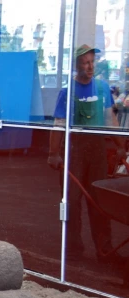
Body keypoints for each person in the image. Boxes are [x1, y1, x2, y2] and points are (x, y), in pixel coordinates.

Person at [48, 44, 125, 262]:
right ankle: (72, 250)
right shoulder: (68, 92)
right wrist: (53, 153)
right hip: (74, 150)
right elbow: (58, 124)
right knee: (71, 199)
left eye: (92, 62)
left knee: (99, 200)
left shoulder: (102, 88)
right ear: (76, 66)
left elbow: (110, 120)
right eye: (85, 62)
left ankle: (105, 250)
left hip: (97, 149)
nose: (90, 66)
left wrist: (121, 145)